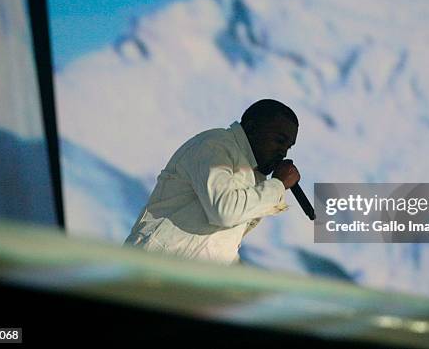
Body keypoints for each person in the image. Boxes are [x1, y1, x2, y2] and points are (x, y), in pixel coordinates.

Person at [125, 99, 300, 265]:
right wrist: (277, 185)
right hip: (150, 270)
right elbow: (224, 211)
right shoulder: (214, 146)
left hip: (182, 283)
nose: (283, 152)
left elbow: (220, 240)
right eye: (279, 141)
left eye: (288, 146)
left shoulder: (255, 176)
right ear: (251, 127)